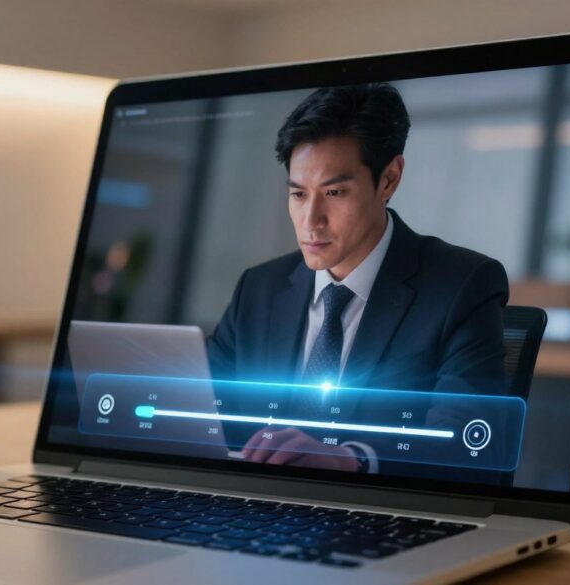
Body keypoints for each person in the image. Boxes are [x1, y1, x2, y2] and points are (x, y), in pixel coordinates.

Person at [207, 83, 509, 476]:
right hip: (251, 507)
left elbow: (468, 440)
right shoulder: (259, 289)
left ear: (388, 179)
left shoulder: (462, 286)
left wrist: (353, 459)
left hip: (382, 512)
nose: (311, 221)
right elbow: (203, 411)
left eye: (334, 192)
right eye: (299, 195)